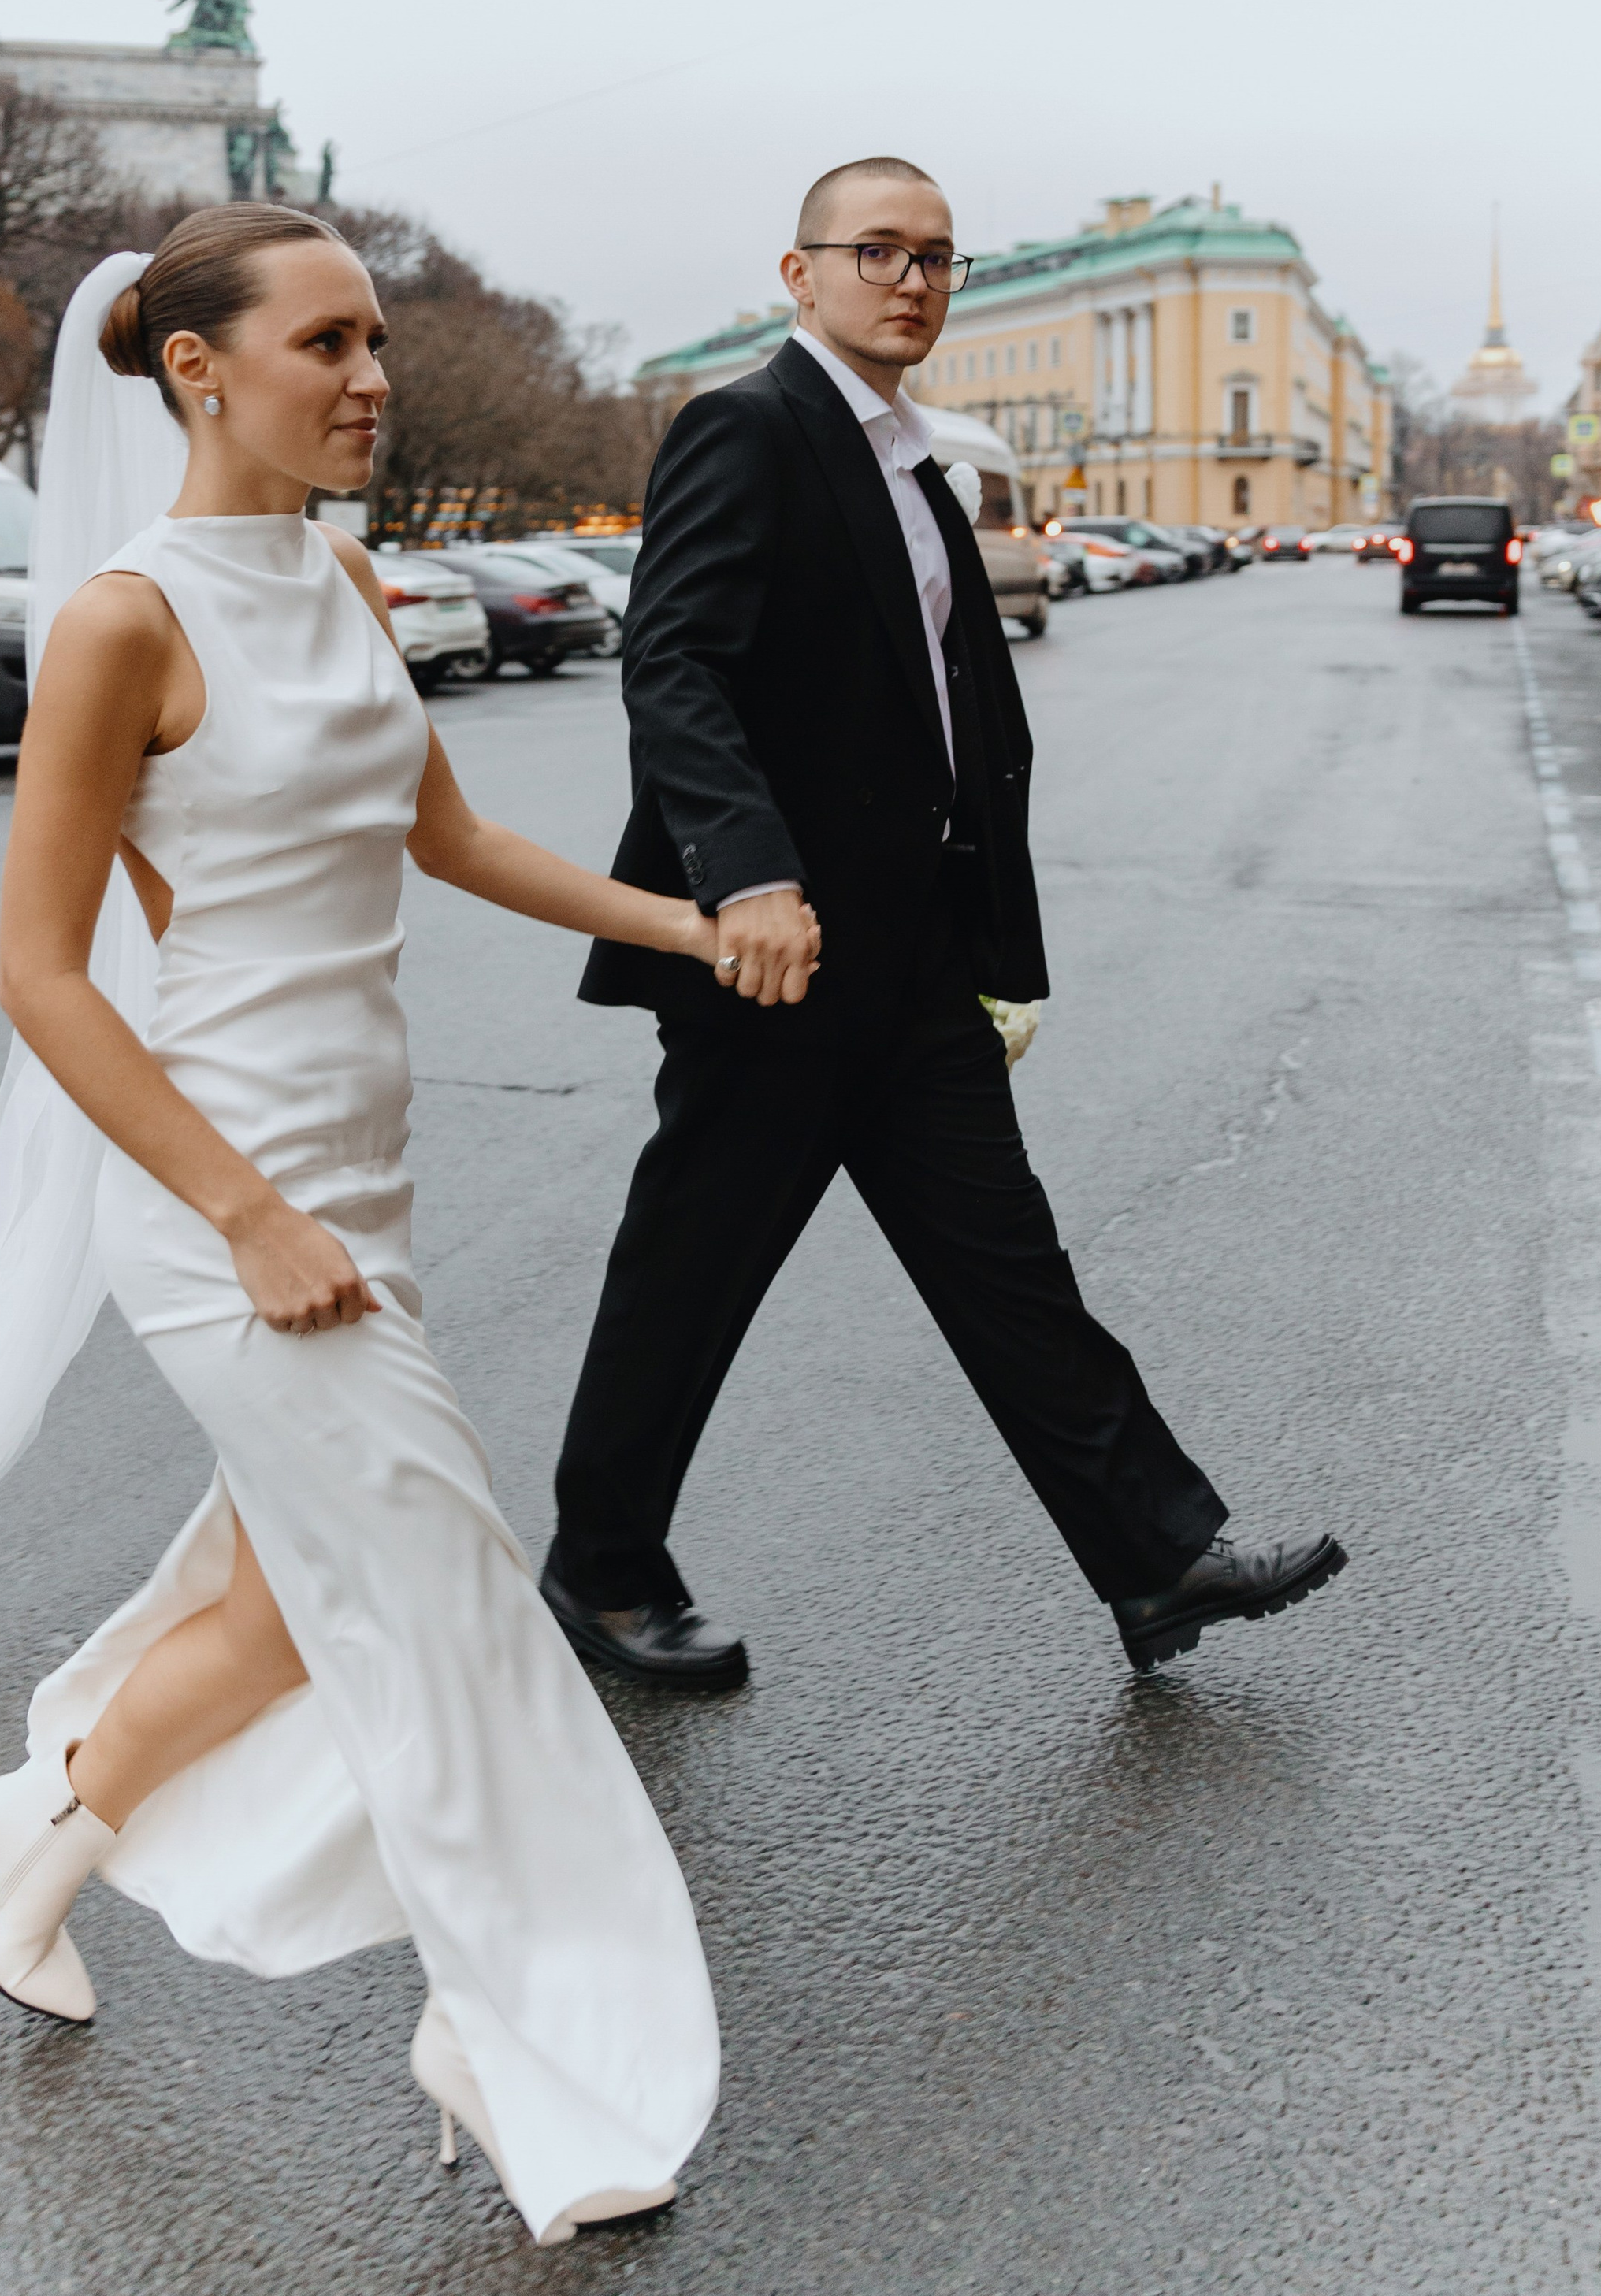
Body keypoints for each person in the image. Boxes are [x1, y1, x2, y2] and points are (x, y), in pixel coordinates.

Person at [0, 206, 747, 2250]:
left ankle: (45, 1843)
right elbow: (44, 975)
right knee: (453, 1595)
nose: (371, 378)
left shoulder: (343, 577)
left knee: (281, 1621)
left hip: (365, 1178)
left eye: (377, 345)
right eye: (328, 341)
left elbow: (453, 838)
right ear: (197, 368)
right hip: (218, 1198)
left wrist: (684, 925)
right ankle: (506, 2016)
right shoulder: (121, 622)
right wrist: (245, 1212)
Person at [543, 156, 1346, 1690]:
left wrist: (987, 947)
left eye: (936, 258)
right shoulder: (750, 425)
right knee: (689, 1275)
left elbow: (954, 723)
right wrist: (749, 875)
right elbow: (676, 668)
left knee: (1009, 1268)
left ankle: (1151, 1558)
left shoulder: (919, 463)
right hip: (770, 961)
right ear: (801, 272)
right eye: (877, 252)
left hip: (905, 962)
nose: (910, 280)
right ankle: (601, 1569)